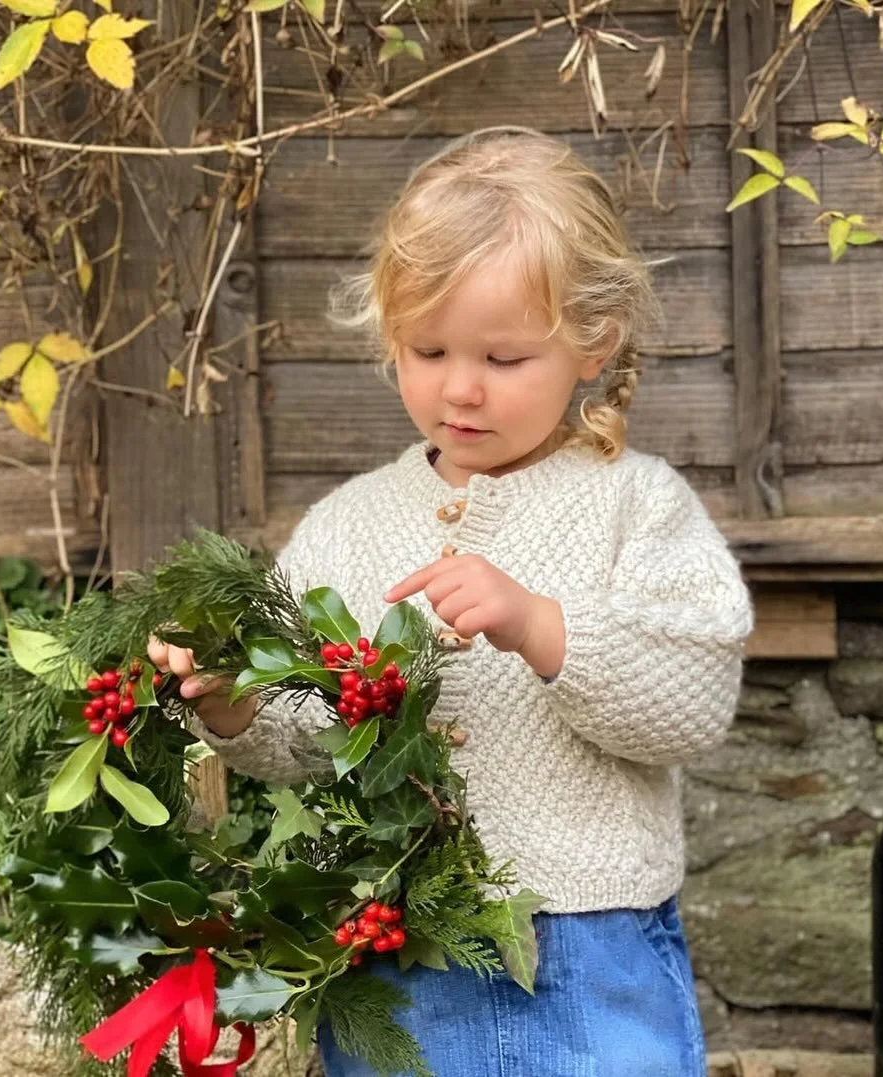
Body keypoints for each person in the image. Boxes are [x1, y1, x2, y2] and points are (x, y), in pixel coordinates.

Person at [147, 126, 753, 1077]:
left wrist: (542, 624)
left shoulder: (637, 504)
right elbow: (308, 734)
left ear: (593, 342)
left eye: (504, 359)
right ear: (390, 335)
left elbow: (694, 697)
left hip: (590, 950)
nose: (460, 388)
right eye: (427, 350)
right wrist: (235, 701)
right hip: (400, 948)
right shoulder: (349, 526)